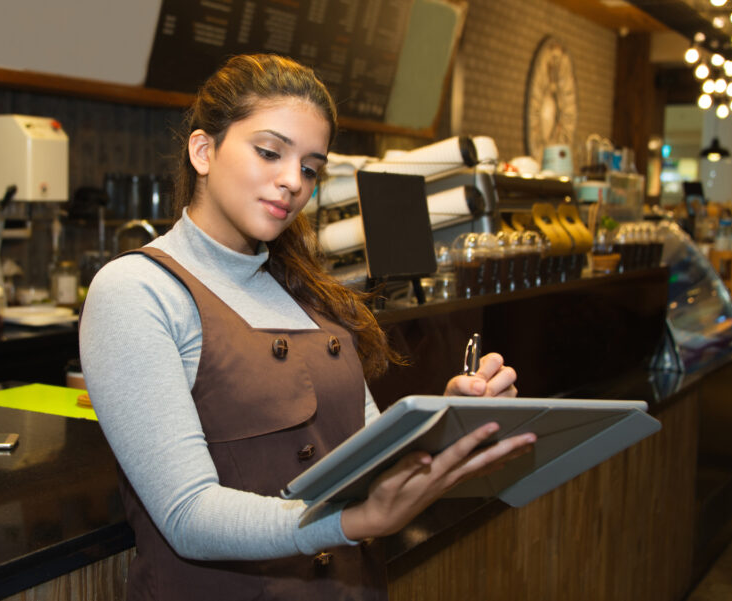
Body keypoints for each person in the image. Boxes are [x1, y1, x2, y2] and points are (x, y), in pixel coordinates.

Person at [79, 53, 534, 601]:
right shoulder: (137, 290)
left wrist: (446, 423)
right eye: (269, 152)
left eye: (312, 168)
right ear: (204, 150)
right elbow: (188, 514)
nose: (293, 181)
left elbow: (364, 459)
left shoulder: (310, 291)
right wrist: (351, 522)